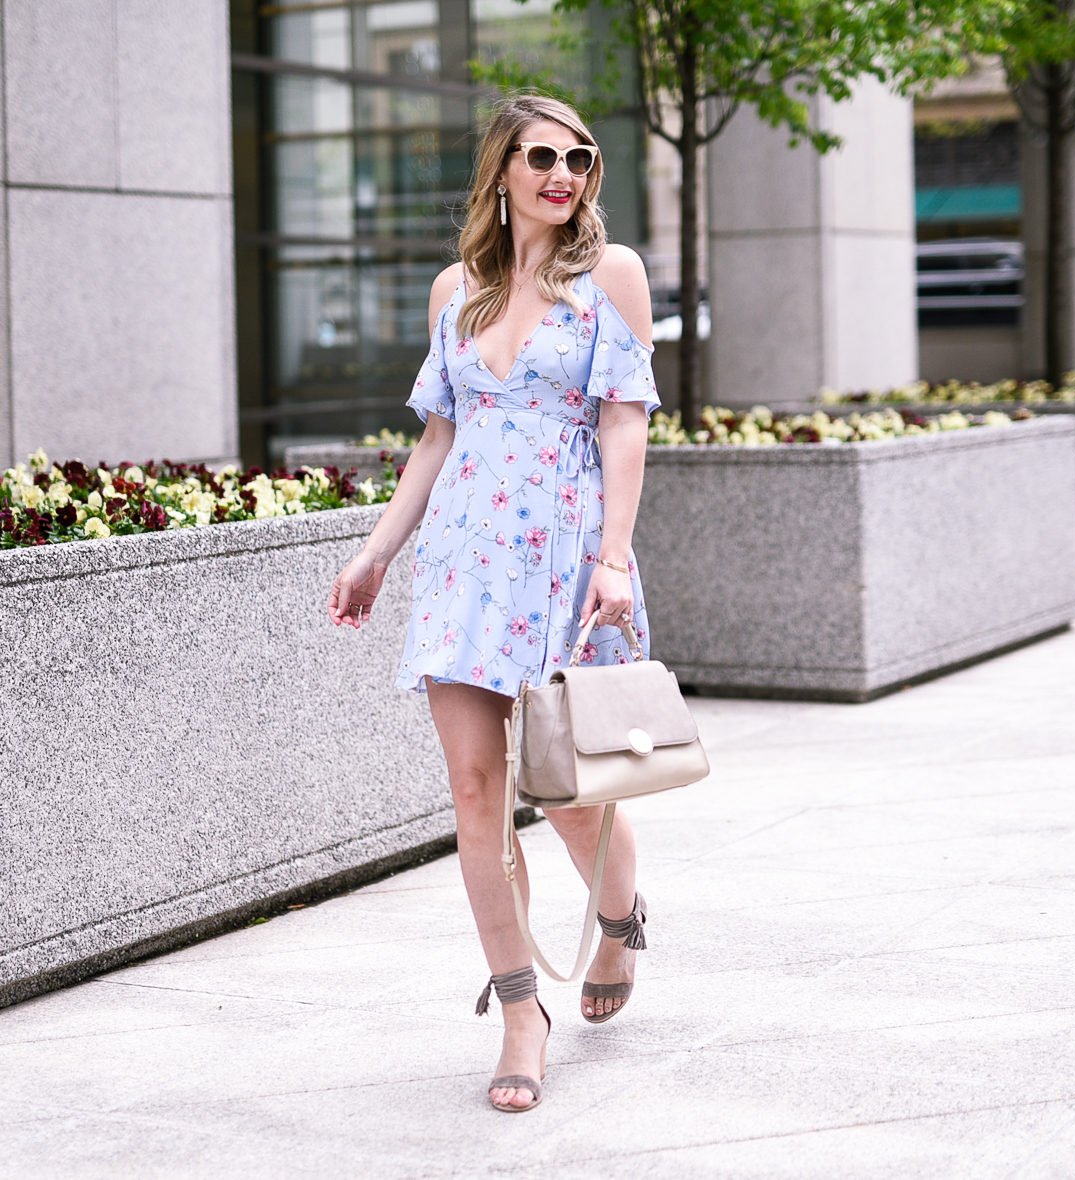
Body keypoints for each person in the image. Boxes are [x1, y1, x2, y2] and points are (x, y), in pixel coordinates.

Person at [327, 94, 659, 1113]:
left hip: (566, 561)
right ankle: (522, 1009)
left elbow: (624, 422)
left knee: (566, 791)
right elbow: (437, 438)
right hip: (465, 565)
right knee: (475, 793)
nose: (563, 172)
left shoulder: (613, 276)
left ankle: (619, 919)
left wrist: (613, 556)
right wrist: (380, 553)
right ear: (503, 172)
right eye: (542, 156)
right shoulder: (457, 291)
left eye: (580, 157)